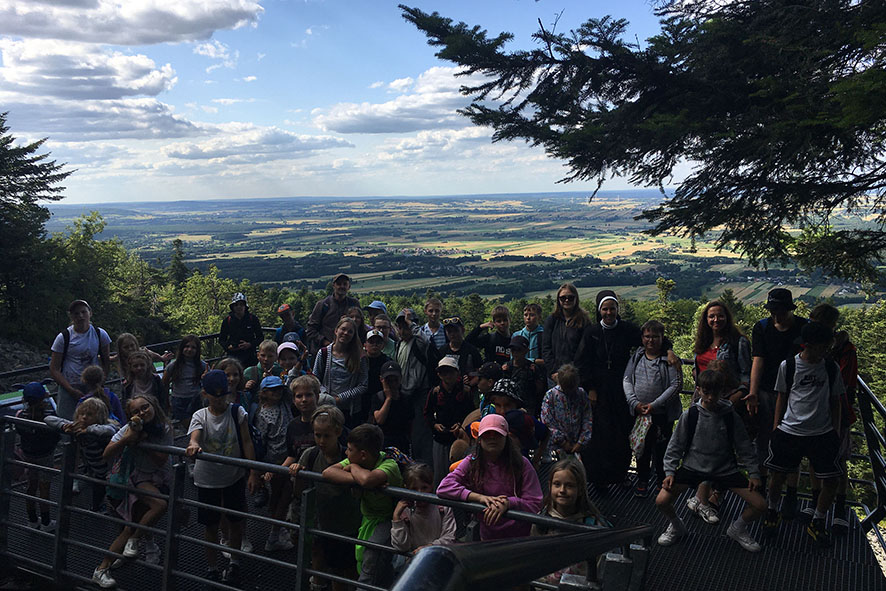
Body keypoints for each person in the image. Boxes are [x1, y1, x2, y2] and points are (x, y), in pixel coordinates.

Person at [576, 290, 678, 493]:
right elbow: (582, 362)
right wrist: (591, 388)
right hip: (600, 392)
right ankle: (600, 479)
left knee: (623, 433)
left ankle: (620, 475)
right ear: (599, 310)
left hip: (621, 389)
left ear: (617, 309)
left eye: (612, 308)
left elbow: (651, 338)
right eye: (604, 309)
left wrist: (669, 350)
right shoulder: (592, 332)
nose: (608, 313)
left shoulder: (627, 329)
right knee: (600, 435)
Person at [655, 370, 765, 552]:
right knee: (661, 501)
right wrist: (670, 472)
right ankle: (676, 525)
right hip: (693, 467)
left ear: (723, 391)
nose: (711, 397)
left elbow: (744, 446)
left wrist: (753, 473)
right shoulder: (690, 415)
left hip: (725, 469)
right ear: (698, 390)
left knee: (760, 505)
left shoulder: (730, 416)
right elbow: (675, 446)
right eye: (706, 392)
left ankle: (737, 529)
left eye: (716, 393)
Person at [763, 322, 844, 547]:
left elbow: (836, 400)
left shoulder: (830, 367)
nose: (826, 350)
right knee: (777, 476)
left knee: (831, 480)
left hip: (822, 432)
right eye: (823, 345)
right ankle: (772, 510)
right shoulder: (788, 366)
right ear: (808, 344)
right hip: (790, 429)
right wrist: (777, 426)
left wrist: (835, 432)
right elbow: (782, 396)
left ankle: (818, 520)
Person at [185, 370, 261, 587]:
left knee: (236, 522)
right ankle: (212, 567)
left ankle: (234, 562)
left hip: (233, 476)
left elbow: (247, 442)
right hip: (207, 478)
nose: (219, 400)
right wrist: (194, 445)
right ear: (205, 394)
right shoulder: (200, 415)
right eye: (214, 395)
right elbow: (195, 436)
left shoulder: (238, 412)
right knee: (210, 524)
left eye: (223, 395)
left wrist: (253, 471)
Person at [92, 395, 173, 589]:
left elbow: (161, 459)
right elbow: (106, 454)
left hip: (158, 478)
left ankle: (102, 568)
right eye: (136, 411)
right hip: (137, 478)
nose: (142, 413)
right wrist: (128, 438)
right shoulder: (129, 429)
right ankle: (134, 542)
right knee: (159, 504)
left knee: (130, 527)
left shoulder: (165, 428)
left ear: (153, 405)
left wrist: (143, 443)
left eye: (145, 408)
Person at [437, 413, 543, 540]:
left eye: (497, 434)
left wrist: (509, 503)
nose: (492, 438)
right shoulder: (472, 461)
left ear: (506, 438)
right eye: (487, 434)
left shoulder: (522, 463)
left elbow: (535, 503)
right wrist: (480, 498)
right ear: (479, 439)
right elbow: (444, 487)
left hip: (520, 537)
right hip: (487, 537)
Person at [800, 304, 858, 534]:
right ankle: (819, 505)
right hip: (818, 412)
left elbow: (846, 385)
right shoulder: (838, 349)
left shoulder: (843, 350)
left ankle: (838, 509)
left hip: (836, 413)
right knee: (825, 460)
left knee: (836, 461)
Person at [748, 287, 808, 510]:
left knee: (792, 442)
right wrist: (753, 393)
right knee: (763, 439)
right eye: (773, 311)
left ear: (789, 309)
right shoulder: (762, 328)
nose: (777, 315)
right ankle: (762, 486)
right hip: (766, 391)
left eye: (780, 311)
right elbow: (758, 360)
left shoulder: (804, 329)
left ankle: (790, 492)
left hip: (795, 395)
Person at [323, 424, 403, 588]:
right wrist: (358, 477)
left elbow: (367, 480)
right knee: (381, 567)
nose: (346, 453)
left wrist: (353, 469)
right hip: (368, 519)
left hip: (391, 520)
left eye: (350, 450)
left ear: (363, 455)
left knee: (371, 560)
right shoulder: (358, 462)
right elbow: (328, 472)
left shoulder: (389, 465)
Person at [291, 406, 361, 591]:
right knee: (335, 570)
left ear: (338, 432)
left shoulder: (349, 457)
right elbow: (299, 493)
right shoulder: (310, 455)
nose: (321, 441)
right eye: (317, 435)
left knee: (351, 570)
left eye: (326, 436)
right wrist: (298, 475)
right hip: (322, 524)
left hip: (349, 525)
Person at [623, 320, 683, 497]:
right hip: (640, 414)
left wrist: (654, 405)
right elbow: (627, 379)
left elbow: (676, 384)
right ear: (642, 338)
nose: (651, 340)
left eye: (655, 336)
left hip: (661, 415)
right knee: (642, 449)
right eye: (647, 336)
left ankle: (661, 481)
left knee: (662, 449)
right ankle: (642, 480)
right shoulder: (637, 356)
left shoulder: (669, 359)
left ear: (662, 338)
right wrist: (634, 403)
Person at [530, 457, 608, 585]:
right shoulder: (541, 521)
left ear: (581, 489)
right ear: (549, 486)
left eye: (569, 485)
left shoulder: (593, 525)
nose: (562, 490)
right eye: (557, 484)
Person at [46, 397, 118, 512]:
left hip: (110, 467)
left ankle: (102, 507)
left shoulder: (104, 426)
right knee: (100, 486)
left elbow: (110, 430)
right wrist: (64, 426)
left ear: (99, 417)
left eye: (89, 414)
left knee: (105, 488)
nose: (84, 417)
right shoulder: (77, 426)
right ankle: (98, 507)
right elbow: (48, 419)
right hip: (94, 466)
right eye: (82, 414)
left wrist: (88, 430)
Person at [50, 299, 111, 420]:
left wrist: (100, 383)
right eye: (76, 313)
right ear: (71, 316)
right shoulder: (63, 338)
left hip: (93, 386)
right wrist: (70, 389)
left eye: (83, 312)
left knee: (95, 420)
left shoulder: (100, 334)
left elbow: (106, 361)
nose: (80, 316)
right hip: (69, 386)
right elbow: (54, 368)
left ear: (90, 313)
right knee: (67, 422)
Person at [15, 383, 60, 531]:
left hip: (28, 455)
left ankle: (32, 520)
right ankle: (46, 522)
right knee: (44, 487)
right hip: (45, 455)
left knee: (31, 485)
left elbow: (20, 432)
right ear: (44, 398)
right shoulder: (49, 417)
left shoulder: (20, 416)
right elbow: (56, 436)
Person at [424, 357, 475, 486]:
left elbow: (472, 415)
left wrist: (461, 425)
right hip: (440, 438)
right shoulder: (435, 392)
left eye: (450, 371)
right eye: (443, 372)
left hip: (460, 439)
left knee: (460, 473)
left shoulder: (466, 391)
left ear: (457, 372)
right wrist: (434, 425)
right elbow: (427, 413)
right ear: (439, 375)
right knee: (440, 474)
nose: (447, 375)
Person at [391, 463, 456, 559]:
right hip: (413, 560)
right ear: (406, 489)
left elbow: (450, 538)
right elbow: (401, 546)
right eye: (414, 489)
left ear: (432, 486)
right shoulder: (405, 511)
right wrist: (396, 517)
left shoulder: (442, 508)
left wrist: (428, 548)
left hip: (438, 557)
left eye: (424, 488)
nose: (420, 493)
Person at [313, 316, 369, 427]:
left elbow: (363, 385)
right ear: (336, 330)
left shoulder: (359, 357)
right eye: (343, 329)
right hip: (326, 406)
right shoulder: (323, 353)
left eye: (350, 331)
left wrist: (340, 398)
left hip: (350, 410)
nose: (345, 333)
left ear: (353, 335)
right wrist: (327, 396)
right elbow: (315, 379)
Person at [394, 308, 433, 464]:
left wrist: (412, 325)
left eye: (406, 326)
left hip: (420, 393)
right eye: (401, 326)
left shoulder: (418, 342)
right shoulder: (399, 344)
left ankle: (422, 468)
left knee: (420, 435)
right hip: (404, 394)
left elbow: (426, 342)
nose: (403, 330)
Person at [540, 364, 593, 460]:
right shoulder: (551, 395)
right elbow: (547, 421)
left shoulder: (581, 394)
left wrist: (582, 441)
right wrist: (562, 442)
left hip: (578, 446)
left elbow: (587, 418)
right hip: (556, 448)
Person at [541, 284, 589, 382]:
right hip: (554, 376)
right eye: (563, 298)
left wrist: (570, 372)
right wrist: (554, 372)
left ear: (576, 299)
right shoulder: (551, 320)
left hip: (576, 376)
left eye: (570, 298)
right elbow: (546, 348)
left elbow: (584, 351)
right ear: (558, 300)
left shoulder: (584, 321)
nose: (567, 300)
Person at [306, 273, 360, 354]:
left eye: (345, 284)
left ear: (349, 287)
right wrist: (324, 342)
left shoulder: (354, 304)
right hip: (324, 352)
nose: (342, 286)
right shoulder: (323, 305)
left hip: (348, 351)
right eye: (338, 284)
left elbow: (360, 326)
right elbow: (310, 330)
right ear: (333, 285)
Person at [162, 335, 208, 427]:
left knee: (198, 425)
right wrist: (166, 402)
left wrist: (206, 377)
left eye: (193, 347)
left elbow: (209, 383)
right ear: (182, 348)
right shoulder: (173, 366)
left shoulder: (202, 365)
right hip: (179, 401)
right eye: (187, 346)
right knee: (191, 426)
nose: (189, 349)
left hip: (196, 399)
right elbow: (164, 383)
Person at [371, 360, 414, 451]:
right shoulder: (378, 398)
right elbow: (379, 419)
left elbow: (410, 423)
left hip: (402, 441)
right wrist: (388, 398)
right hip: (383, 441)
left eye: (395, 380)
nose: (393, 384)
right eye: (389, 381)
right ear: (382, 380)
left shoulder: (407, 398)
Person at [219, 292, 263, 368]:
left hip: (250, 356)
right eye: (236, 305)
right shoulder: (227, 321)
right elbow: (221, 339)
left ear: (245, 306)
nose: (239, 307)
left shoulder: (253, 319)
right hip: (233, 356)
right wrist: (228, 347)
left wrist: (249, 344)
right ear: (232, 307)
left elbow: (260, 337)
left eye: (241, 304)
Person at [504, 334, 545, 417]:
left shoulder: (532, 368)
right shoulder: (507, 368)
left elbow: (539, 390)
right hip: (510, 406)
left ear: (526, 351)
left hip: (528, 407)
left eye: (518, 350)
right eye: (513, 350)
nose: (515, 353)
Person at [435, 317, 482, 383]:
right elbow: (437, 373)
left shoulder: (472, 350)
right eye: (449, 331)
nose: (452, 334)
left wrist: (471, 381)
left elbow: (479, 373)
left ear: (462, 330)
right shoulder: (442, 350)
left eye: (456, 331)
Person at [243, 339, 283, 415]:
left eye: (270, 356)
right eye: (263, 355)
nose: (266, 359)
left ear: (276, 357)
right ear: (258, 355)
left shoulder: (280, 371)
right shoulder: (249, 372)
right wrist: (246, 387)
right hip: (255, 405)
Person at [364, 328, 391, 424]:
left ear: (383, 345)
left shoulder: (388, 362)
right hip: (361, 400)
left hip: (380, 400)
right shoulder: (360, 361)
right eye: (371, 342)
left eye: (378, 342)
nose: (374, 345)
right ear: (365, 345)